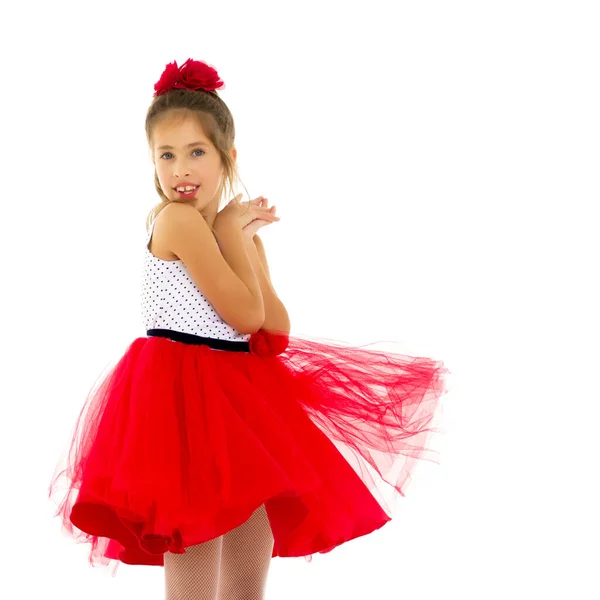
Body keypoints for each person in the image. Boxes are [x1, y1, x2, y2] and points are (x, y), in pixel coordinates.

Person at [48, 58, 450, 598]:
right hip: (182, 399)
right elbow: (244, 315)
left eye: (196, 152)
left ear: (226, 157)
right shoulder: (177, 220)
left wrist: (243, 238)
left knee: (247, 541)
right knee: (194, 534)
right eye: (166, 155)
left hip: (236, 397)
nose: (180, 169)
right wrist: (236, 234)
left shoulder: (229, 231)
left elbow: (271, 334)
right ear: (151, 162)